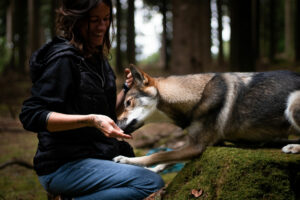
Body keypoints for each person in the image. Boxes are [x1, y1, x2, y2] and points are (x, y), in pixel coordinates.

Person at [19, 0, 164, 199]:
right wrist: (90, 120)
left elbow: (103, 113)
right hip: (63, 165)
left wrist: (126, 89)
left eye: (106, 19)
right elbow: (31, 115)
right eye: (94, 20)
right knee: (150, 183)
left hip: (97, 157)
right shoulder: (63, 60)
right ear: (76, 20)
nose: (102, 27)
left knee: (152, 174)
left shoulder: (98, 59)